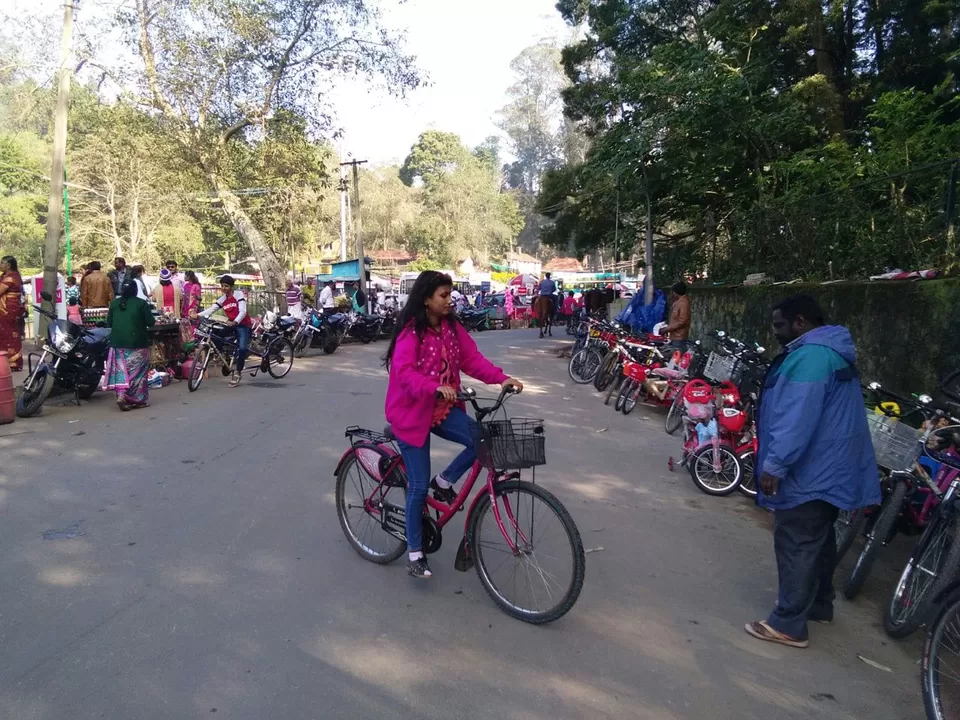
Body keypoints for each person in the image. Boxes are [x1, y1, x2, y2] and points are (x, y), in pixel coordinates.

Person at [745, 295, 879, 649]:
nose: (776, 333)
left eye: (779, 326)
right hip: (832, 466)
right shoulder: (830, 351)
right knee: (819, 538)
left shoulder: (812, 357)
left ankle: (789, 623)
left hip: (812, 468)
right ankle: (819, 604)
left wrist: (775, 465)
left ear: (800, 322)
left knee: (797, 539)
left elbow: (796, 418)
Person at [383, 271, 524, 579]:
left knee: (481, 438)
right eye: (443, 296)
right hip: (411, 412)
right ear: (426, 299)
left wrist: (502, 378)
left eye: (450, 295)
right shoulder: (411, 333)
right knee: (417, 486)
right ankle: (415, 553)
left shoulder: (451, 328)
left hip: (442, 409)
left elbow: (472, 360)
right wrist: (432, 386)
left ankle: (444, 481)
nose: (449, 300)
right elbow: (404, 373)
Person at [104, 280, 156, 411]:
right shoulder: (141, 303)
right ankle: (137, 400)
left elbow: (108, 322)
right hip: (137, 343)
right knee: (138, 373)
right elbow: (151, 322)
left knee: (122, 372)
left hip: (116, 344)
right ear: (135, 290)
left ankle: (121, 395)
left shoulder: (114, 304)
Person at [200, 275, 252, 388]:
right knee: (215, 338)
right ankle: (225, 357)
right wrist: (197, 315)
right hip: (230, 324)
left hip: (242, 325)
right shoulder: (223, 299)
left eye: (226, 286)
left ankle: (238, 372)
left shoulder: (238, 295)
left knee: (242, 348)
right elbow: (211, 309)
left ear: (231, 286)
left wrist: (236, 322)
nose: (224, 288)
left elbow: (243, 312)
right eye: (222, 286)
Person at [0, 256, 25, 370]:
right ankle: (6, 361)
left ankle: (13, 362)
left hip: (9, 310)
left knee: (10, 334)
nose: (0, 265)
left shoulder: (11, 277)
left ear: (9, 265)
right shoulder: (6, 276)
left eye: (2, 263)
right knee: (5, 334)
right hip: (6, 310)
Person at [665, 282, 691, 351]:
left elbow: (683, 320)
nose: (673, 294)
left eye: (673, 292)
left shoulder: (683, 303)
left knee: (677, 355)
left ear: (676, 292)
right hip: (675, 335)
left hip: (679, 336)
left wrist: (668, 329)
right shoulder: (679, 301)